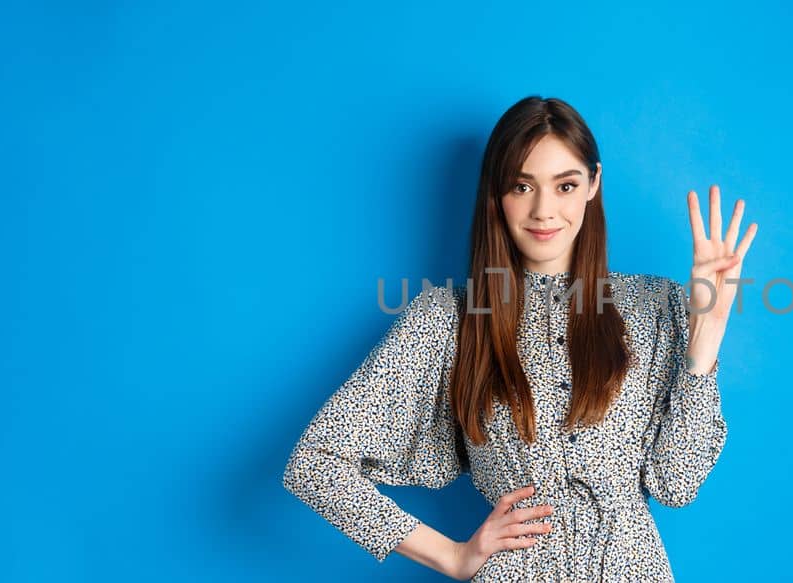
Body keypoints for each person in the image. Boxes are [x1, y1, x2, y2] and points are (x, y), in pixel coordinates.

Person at [282, 95, 757, 581]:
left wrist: (706, 340)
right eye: (522, 185)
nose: (543, 210)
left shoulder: (656, 306)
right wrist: (453, 556)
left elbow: (677, 484)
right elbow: (315, 464)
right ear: (496, 192)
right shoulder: (450, 319)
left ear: (593, 184)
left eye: (565, 185)